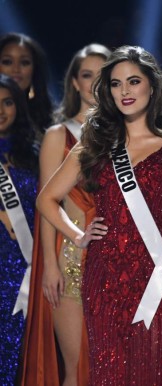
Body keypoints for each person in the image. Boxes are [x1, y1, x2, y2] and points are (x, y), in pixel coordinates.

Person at [36, 45, 162, 385]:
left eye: (133, 81)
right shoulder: (96, 142)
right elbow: (47, 200)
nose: (125, 91)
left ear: (152, 85)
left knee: (154, 372)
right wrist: (77, 235)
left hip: (156, 278)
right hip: (103, 277)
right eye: (116, 84)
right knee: (109, 375)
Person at [20, 43, 111, 386]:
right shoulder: (58, 136)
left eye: (103, 75)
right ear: (74, 82)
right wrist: (50, 267)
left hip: (119, 259)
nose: (94, 83)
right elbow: (47, 206)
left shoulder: (128, 134)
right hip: (73, 257)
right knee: (77, 367)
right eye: (87, 75)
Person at [0, 74, 38, 384]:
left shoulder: (34, 154)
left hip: (26, 273)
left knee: (21, 355)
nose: (1, 110)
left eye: (8, 102)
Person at [0, 32, 53, 141]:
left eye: (24, 63)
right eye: (7, 62)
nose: (15, 69)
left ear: (35, 70)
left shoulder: (51, 123)